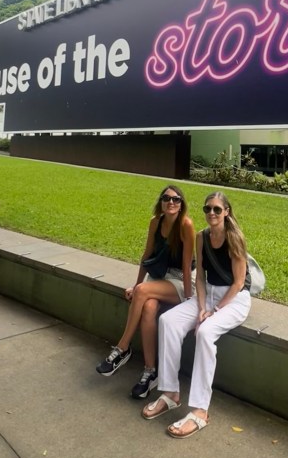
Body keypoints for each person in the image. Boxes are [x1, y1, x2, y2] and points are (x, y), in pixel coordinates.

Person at [142, 190, 251, 437]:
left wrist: (215, 311)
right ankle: (170, 393)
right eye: (207, 208)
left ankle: (200, 411)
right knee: (168, 320)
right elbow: (200, 277)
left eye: (217, 209)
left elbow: (238, 283)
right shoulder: (202, 237)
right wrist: (202, 307)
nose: (211, 213)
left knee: (205, 332)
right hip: (207, 293)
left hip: (234, 300)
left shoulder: (234, 238)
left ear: (226, 212)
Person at [96, 185, 195, 398]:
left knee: (142, 292)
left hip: (179, 279)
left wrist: (189, 301)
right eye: (166, 198)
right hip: (158, 277)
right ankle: (150, 372)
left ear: (181, 204)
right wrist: (136, 285)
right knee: (148, 307)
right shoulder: (155, 222)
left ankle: (122, 348)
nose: (171, 202)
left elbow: (187, 266)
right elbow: (147, 255)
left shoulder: (185, 225)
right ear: (161, 202)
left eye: (176, 199)